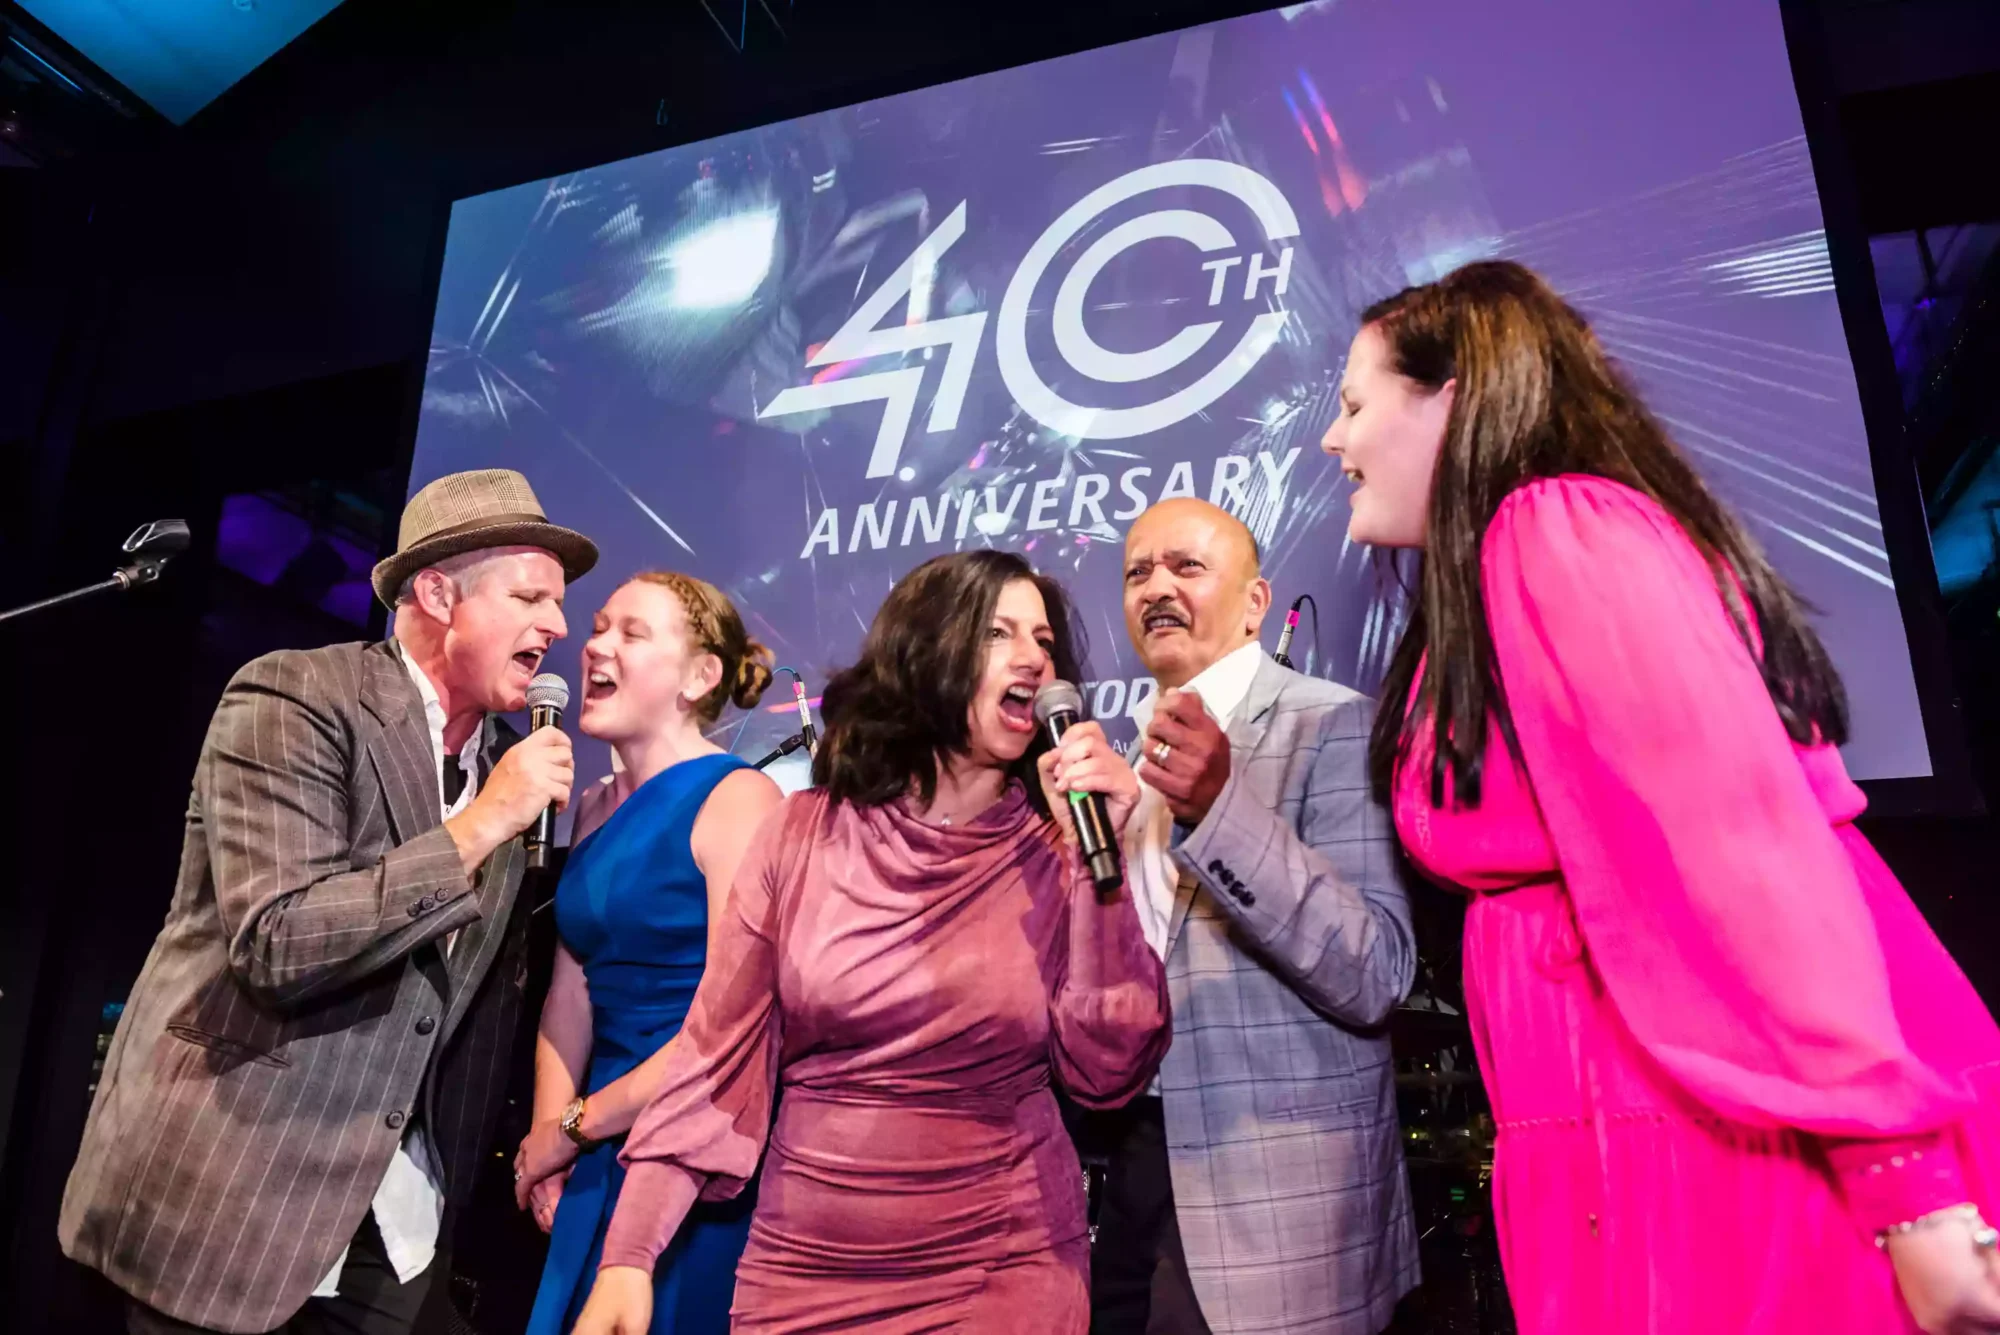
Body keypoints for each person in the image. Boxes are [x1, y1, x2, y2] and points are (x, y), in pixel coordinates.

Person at [1321, 258, 2000, 1334]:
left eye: (1353, 404)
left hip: (1707, 1137)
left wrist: (1905, 1187)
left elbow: (1735, 853)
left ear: (1446, 396)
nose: (1333, 440)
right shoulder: (1525, 553)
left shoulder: (1554, 529)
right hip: (1634, 1124)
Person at [566, 549, 1171, 1335]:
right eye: (996, 632)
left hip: (999, 1267)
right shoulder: (804, 832)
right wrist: (628, 1257)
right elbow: (715, 1059)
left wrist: (1102, 866)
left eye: (1044, 642)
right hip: (805, 1269)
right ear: (922, 656)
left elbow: (1108, 1070)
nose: (1032, 658)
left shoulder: (1055, 848)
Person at [60, 468, 598, 1335]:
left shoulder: (507, 757)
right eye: (531, 596)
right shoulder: (295, 697)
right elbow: (278, 941)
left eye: (561, 603)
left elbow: (473, 1002)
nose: (559, 626)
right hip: (229, 1199)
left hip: (394, 1227)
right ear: (437, 591)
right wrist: (484, 822)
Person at [1082, 496, 1419, 1335]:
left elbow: (1377, 969)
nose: (1157, 586)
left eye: (1186, 566)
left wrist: (1220, 806)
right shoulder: (1131, 758)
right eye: (1137, 571)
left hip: (1272, 1211)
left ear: (1257, 602)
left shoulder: (1334, 723)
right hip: (1132, 1180)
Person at [515, 572, 783, 1333]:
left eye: (631, 633)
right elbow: (569, 996)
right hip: (590, 1148)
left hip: (692, 1155)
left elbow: (731, 1032)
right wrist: (551, 1148)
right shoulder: (593, 805)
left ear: (700, 676)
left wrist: (570, 1127)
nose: (594, 644)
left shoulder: (739, 800)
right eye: (599, 626)